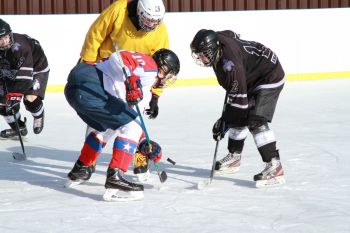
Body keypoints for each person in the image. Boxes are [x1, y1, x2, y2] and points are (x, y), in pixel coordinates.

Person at [64, 48, 180, 201]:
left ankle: (81, 168)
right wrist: (131, 81)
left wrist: (145, 143)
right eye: (169, 75)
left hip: (80, 90)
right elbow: (118, 57)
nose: (166, 81)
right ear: (163, 69)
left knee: (110, 125)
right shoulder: (150, 66)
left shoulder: (145, 88)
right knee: (130, 126)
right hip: (90, 84)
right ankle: (116, 177)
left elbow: (131, 120)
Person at [79, 0, 169, 180]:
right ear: (138, 11)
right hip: (107, 69)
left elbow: (162, 66)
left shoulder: (160, 32)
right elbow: (96, 33)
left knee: (135, 118)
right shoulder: (119, 10)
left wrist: (155, 95)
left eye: (155, 21)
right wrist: (87, 61)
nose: (151, 24)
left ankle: (140, 157)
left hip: (136, 77)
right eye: (148, 19)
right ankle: (88, 162)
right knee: (100, 118)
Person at [190, 29, 285, 188]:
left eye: (204, 54)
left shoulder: (231, 67)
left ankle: (275, 166)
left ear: (215, 49)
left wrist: (225, 122)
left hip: (269, 75)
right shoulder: (218, 38)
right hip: (251, 74)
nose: (201, 58)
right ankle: (234, 157)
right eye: (198, 54)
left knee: (255, 120)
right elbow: (232, 34)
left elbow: (239, 105)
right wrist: (228, 118)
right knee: (238, 113)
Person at [0, 19, 49, 139]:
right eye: (0, 39)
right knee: (2, 104)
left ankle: (38, 115)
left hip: (36, 68)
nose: (5, 41)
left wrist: (14, 95)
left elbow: (25, 79)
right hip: (11, 69)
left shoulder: (21, 47)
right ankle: (19, 128)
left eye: (6, 37)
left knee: (29, 98)